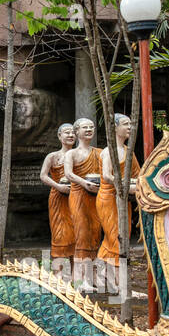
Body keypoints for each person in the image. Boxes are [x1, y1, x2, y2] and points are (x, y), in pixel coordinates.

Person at [96, 114, 141, 292]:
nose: (129, 127)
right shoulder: (109, 151)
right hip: (108, 199)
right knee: (116, 239)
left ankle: (106, 279)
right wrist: (126, 184)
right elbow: (107, 176)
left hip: (123, 199)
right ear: (115, 128)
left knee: (120, 237)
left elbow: (137, 174)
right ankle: (120, 285)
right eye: (125, 124)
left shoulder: (128, 151)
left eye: (130, 124)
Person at [63, 117, 103, 290]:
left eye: (91, 127)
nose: (88, 130)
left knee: (96, 233)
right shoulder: (71, 154)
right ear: (77, 131)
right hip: (79, 194)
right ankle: (79, 280)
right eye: (85, 127)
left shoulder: (100, 153)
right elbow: (68, 174)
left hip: (96, 196)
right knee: (82, 234)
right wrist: (84, 183)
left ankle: (93, 277)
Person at [39, 123, 76, 276]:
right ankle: (58, 274)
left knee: (78, 232)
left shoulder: (79, 155)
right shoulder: (53, 156)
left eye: (73, 132)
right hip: (58, 197)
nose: (70, 135)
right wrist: (58, 187)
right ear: (60, 136)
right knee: (60, 233)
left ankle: (76, 275)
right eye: (67, 132)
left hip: (76, 197)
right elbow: (43, 176)